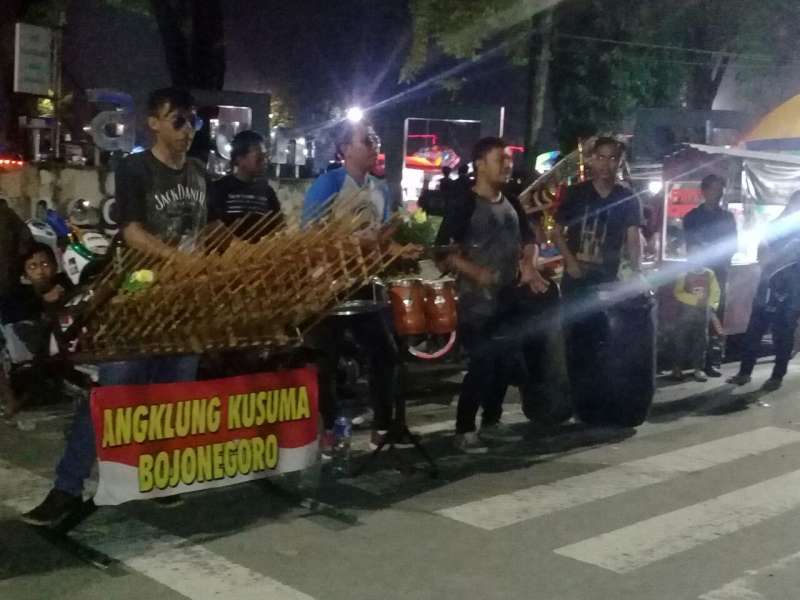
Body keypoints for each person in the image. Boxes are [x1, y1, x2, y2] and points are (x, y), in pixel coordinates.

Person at [22, 88, 208, 527]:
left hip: (190, 304)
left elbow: (210, 227)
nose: (186, 130)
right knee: (111, 391)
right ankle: (67, 488)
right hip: (137, 301)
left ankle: (161, 478)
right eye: (177, 120)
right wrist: (180, 259)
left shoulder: (200, 172)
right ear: (154, 123)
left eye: (192, 121)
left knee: (172, 397)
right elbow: (132, 232)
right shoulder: (135, 168)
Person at [436, 137, 550, 453]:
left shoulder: (511, 201)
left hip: (508, 297)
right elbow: (443, 251)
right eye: (501, 159)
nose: (508, 164)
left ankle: (492, 421)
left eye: (510, 159)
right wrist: (477, 273)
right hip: (476, 302)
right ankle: (463, 429)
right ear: (480, 164)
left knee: (505, 361)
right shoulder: (465, 203)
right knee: (483, 363)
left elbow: (530, 240)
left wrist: (528, 266)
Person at [302, 119, 409, 452]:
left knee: (385, 354)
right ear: (346, 149)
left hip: (364, 283)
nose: (374, 145)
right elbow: (309, 235)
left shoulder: (380, 189)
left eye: (375, 139)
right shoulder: (329, 184)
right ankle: (331, 428)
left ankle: (383, 426)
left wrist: (399, 249)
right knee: (326, 360)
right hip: (330, 284)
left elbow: (380, 238)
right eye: (367, 140)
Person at [553, 137, 642, 423]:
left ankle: (599, 403)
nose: (606, 164)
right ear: (591, 160)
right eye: (601, 158)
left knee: (605, 342)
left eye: (613, 158)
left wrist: (636, 274)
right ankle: (578, 405)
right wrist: (570, 261)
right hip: (576, 281)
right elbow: (556, 230)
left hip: (608, 282)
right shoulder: (575, 194)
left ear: (620, 162)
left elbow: (632, 239)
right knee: (576, 343)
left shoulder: (627, 197)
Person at [728, 191, 800, 391]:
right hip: (767, 288)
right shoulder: (775, 226)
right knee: (754, 331)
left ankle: (777, 376)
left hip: (792, 292)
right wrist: (779, 256)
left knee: (783, 335)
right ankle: (744, 372)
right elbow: (762, 255)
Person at [1, 243, 72, 418]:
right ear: (25, 273)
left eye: (45, 264)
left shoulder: (65, 286)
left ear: (55, 266)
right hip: (28, 362)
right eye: (33, 266)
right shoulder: (19, 297)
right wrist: (43, 300)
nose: (40, 271)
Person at [682, 174, 737, 377]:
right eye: (713, 189)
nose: (718, 193)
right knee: (695, 318)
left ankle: (712, 362)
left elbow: (732, 245)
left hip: (720, 274)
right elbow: (692, 246)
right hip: (698, 275)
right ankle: (692, 361)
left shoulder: (727, 217)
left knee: (716, 318)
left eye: (720, 189)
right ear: (703, 191)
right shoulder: (692, 217)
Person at [208, 130, 283, 240]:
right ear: (240, 158)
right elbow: (211, 227)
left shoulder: (267, 192)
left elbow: (278, 226)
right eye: (259, 157)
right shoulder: (219, 189)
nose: (264, 161)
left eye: (265, 156)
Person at [669, 242, 721, 382]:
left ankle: (699, 368)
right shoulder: (683, 274)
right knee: (681, 340)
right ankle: (677, 367)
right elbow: (678, 292)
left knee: (701, 341)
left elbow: (715, 292)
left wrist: (711, 306)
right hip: (685, 312)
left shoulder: (709, 274)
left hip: (702, 313)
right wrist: (694, 300)